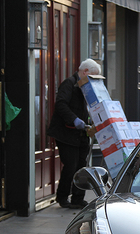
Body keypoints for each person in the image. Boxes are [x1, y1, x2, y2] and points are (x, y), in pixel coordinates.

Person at [47, 58, 101, 209]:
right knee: (71, 165)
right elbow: (61, 104)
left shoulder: (86, 88)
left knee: (81, 166)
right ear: (85, 72)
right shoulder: (69, 84)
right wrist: (74, 119)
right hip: (66, 133)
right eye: (92, 77)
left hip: (80, 133)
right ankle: (62, 196)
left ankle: (78, 198)